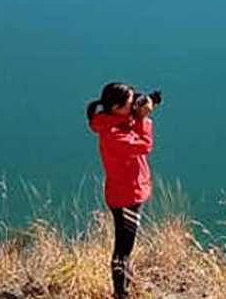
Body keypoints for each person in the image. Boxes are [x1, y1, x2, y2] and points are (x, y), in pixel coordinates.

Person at [86, 82, 156, 299]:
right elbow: (144, 146)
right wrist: (142, 119)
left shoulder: (114, 122)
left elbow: (129, 127)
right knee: (123, 249)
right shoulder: (113, 133)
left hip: (125, 191)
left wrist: (136, 114)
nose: (133, 106)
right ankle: (121, 294)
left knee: (125, 245)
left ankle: (125, 286)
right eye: (129, 104)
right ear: (116, 108)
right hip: (127, 196)